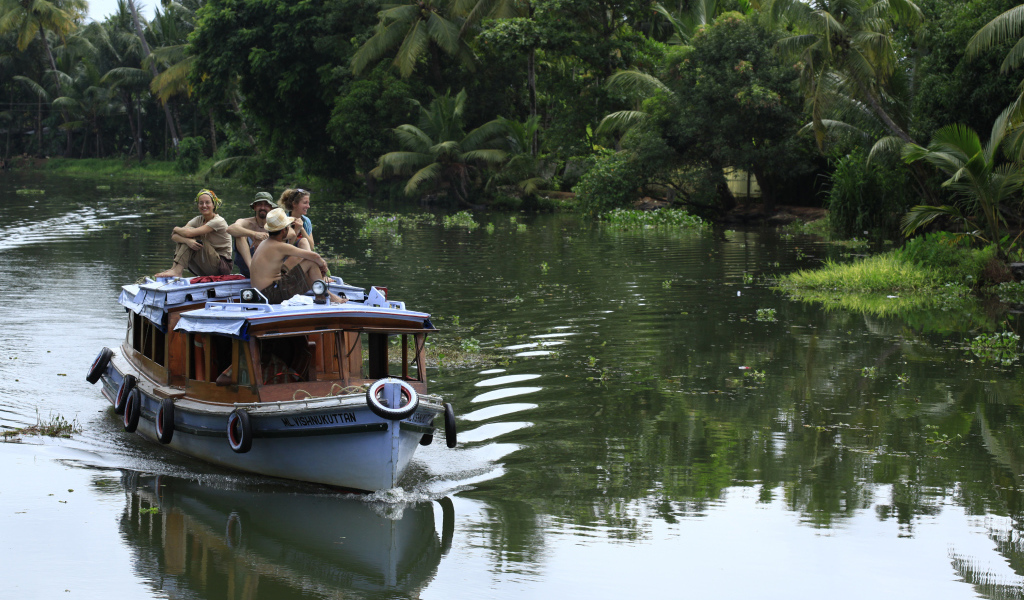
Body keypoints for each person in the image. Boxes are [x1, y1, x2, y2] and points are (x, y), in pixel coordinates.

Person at [250, 208, 345, 304]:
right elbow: (315, 257)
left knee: (300, 260)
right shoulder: (279, 246)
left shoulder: (264, 242)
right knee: (311, 263)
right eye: (288, 227)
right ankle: (326, 295)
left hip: (258, 294)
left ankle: (321, 294)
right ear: (283, 231)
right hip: (270, 294)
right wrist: (324, 266)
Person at [154, 189, 231, 278]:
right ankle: (174, 269)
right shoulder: (198, 219)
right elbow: (174, 236)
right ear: (198, 205)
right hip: (205, 264)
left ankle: (177, 271)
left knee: (194, 235)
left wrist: (176, 228)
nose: (204, 205)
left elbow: (188, 233)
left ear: (213, 205)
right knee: (186, 237)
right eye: (201, 203)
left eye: (207, 202)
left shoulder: (218, 221)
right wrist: (187, 241)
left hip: (221, 267)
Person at [227, 191, 274, 277]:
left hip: (268, 268)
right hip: (248, 269)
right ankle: (252, 268)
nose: (262, 207)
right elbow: (230, 229)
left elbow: (291, 233)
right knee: (240, 234)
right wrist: (254, 234)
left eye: (266, 205)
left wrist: (267, 238)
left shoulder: (276, 224)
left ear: (271, 208)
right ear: (255, 207)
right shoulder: (246, 222)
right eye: (259, 204)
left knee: (280, 236)